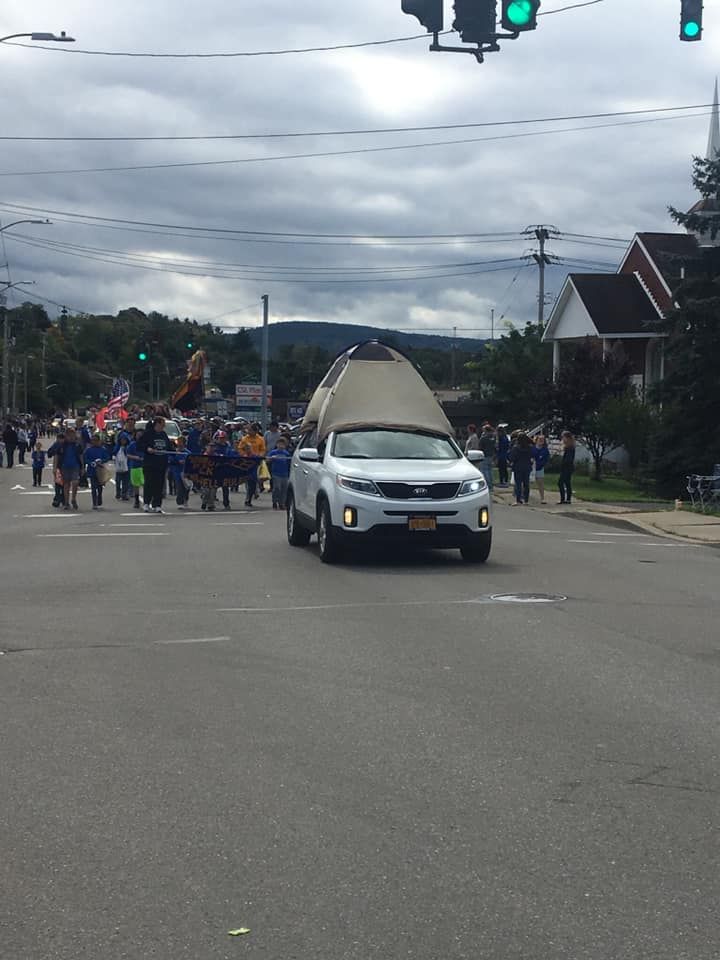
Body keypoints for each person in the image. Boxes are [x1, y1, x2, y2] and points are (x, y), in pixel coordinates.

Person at [138, 416, 172, 513]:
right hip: (150, 463)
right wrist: (147, 449)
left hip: (161, 463)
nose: (163, 426)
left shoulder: (163, 434)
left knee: (159, 484)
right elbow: (140, 445)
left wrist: (174, 450)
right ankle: (146, 503)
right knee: (149, 483)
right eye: (162, 424)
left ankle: (157, 504)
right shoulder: (148, 434)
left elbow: (169, 447)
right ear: (157, 424)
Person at [237, 423, 266, 506]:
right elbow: (240, 448)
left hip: (256, 462)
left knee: (253, 481)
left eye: (251, 430)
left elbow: (263, 449)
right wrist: (244, 455)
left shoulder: (260, 439)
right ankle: (248, 499)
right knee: (248, 480)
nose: (249, 432)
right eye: (248, 430)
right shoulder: (245, 439)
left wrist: (260, 455)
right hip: (246, 462)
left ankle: (250, 496)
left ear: (255, 431)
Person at [57, 427, 84, 510]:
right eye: (69, 435)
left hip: (75, 466)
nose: (71, 437)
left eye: (73, 435)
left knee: (75, 482)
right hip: (64, 466)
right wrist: (56, 467)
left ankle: (73, 499)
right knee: (66, 484)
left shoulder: (77, 445)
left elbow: (81, 456)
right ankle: (66, 502)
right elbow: (57, 455)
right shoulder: (63, 445)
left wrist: (82, 467)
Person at [84, 434, 111, 510]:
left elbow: (107, 457)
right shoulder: (88, 450)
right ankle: (94, 503)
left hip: (100, 470)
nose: (94, 442)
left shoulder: (102, 449)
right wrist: (90, 463)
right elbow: (85, 458)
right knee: (93, 487)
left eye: (96, 440)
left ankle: (99, 496)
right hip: (92, 470)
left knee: (100, 486)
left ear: (99, 441)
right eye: (93, 440)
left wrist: (101, 461)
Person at [508, 432, 533, 506]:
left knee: (518, 484)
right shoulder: (529, 448)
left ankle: (518, 500)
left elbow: (512, 458)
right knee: (526, 484)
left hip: (518, 467)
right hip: (527, 467)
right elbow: (531, 457)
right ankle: (526, 500)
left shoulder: (516, 448)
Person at [267, 436, 292, 509]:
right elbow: (267, 460)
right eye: (279, 444)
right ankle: (274, 501)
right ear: (277, 444)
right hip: (276, 473)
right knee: (277, 488)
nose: (281, 446)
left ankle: (282, 503)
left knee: (284, 489)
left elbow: (289, 463)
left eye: (283, 444)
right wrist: (272, 458)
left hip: (285, 474)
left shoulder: (286, 453)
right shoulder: (273, 452)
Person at [168, 435, 191, 509]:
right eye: (178, 442)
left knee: (187, 487)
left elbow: (191, 461)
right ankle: (180, 502)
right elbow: (170, 460)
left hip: (186, 472)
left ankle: (185, 499)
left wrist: (185, 462)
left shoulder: (187, 452)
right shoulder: (175, 452)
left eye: (181, 442)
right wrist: (178, 461)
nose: (179, 443)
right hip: (177, 472)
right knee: (179, 487)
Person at [127, 429, 145, 509]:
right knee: (136, 485)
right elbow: (128, 454)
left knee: (145, 484)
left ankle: (146, 501)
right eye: (138, 435)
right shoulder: (132, 444)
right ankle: (137, 500)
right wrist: (136, 457)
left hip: (144, 466)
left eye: (141, 435)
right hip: (135, 466)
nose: (139, 436)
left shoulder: (146, 444)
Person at [558, 431, 576, 505]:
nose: (563, 439)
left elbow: (568, 459)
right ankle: (568, 499)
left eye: (563, 437)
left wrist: (563, 463)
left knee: (560, 482)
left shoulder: (570, 447)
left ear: (567, 438)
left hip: (567, 467)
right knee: (567, 483)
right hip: (568, 467)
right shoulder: (568, 447)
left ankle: (563, 499)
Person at [532, 434, 550, 505]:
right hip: (531, 468)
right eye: (539, 439)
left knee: (540, 483)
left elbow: (546, 459)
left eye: (543, 440)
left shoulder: (545, 450)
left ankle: (542, 498)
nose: (541, 441)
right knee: (527, 483)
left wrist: (541, 464)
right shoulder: (532, 448)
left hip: (540, 468)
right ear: (536, 440)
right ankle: (524, 496)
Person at [478, 423, 497, 491]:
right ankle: (491, 485)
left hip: (484, 455)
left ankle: (488, 485)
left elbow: (480, 446)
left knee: (485, 471)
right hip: (491, 455)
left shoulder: (483, 438)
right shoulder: (493, 437)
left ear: (485, 430)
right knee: (490, 470)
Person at [113, 434, 131, 501]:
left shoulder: (128, 447)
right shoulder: (117, 447)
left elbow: (128, 455)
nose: (123, 441)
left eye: (124, 440)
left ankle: (124, 494)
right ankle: (118, 493)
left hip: (126, 467)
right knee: (118, 481)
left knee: (125, 482)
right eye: (122, 440)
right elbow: (114, 453)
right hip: (119, 467)